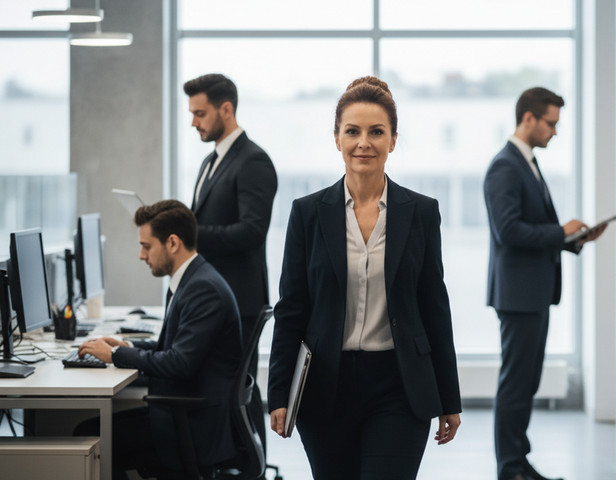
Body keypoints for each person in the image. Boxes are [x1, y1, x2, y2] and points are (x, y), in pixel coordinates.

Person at [267, 76, 462, 480]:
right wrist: (278, 395)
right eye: (352, 131)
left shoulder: (421, 212)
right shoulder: (307, 213)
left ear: (393, 140)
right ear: (336, 138)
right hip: (325, 387)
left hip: (400, 385)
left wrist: (448, 396)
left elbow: (434, 306)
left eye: (377, 132)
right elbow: (292, 309)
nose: (364, 143)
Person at [484, 87, 606, 480]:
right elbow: (508, 231)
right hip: (519, 296)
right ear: (528, 119)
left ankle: (519, 463)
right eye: (551, 123)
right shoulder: (506, 166)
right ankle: (510, 469)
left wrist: (571, 239)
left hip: (532, 293)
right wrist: (559, 231)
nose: (555, 131)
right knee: (516, 384)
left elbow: (527, 229)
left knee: (526, 381)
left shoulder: (527, 164)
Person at [75, 200, 243, 480]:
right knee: (91, 430)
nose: (141, 255)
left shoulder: (203, 289)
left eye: (147, 246)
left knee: (88, 435)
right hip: (184, 413)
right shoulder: (192, 279)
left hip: (191, 426)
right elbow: (174, 348)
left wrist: (114, 357)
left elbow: (180, 363)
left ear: (173, 243)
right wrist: (126, 347)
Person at [184, 73, 277, 444]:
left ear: (226, 109)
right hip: (216, 298)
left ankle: (251, 467)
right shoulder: (212, 160)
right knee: (227, 393)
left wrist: (189, 236)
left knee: (239, 393)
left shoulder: (253, 161)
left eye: (200, 113)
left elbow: (252, 232)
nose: (194, 122)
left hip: (239, 302)